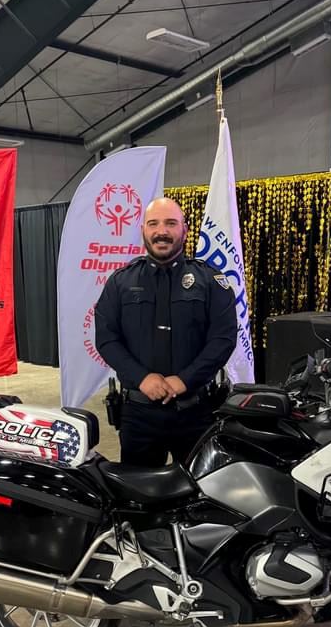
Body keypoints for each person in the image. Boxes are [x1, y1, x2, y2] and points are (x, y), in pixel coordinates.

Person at [95, 197, 237, 467]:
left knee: (201, 495)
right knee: (140, 498)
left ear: (184, 229)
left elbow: (223, 338)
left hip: (196, 412)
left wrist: (184, 379)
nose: (162, 231)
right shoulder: (120, 283)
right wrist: (143, 378)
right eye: (154, 224)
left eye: (171, 223)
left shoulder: (211, 281)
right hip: (139, 414)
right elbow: (107, 339)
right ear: (143, 231)